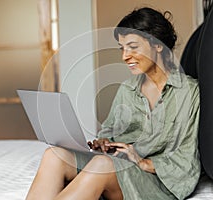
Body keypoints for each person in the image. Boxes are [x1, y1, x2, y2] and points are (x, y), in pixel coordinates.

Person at [26, 7, 200, 200]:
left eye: (133, 47)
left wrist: (142, 162)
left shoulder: (188, 92)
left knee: (102, 165)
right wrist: (104, 142)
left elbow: (186, 157)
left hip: (155, 180)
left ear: (158, 45)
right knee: (54, 156)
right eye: (122, 48)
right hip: (116, 166)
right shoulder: (127, 89)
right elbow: (110, 130)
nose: (125, 56)